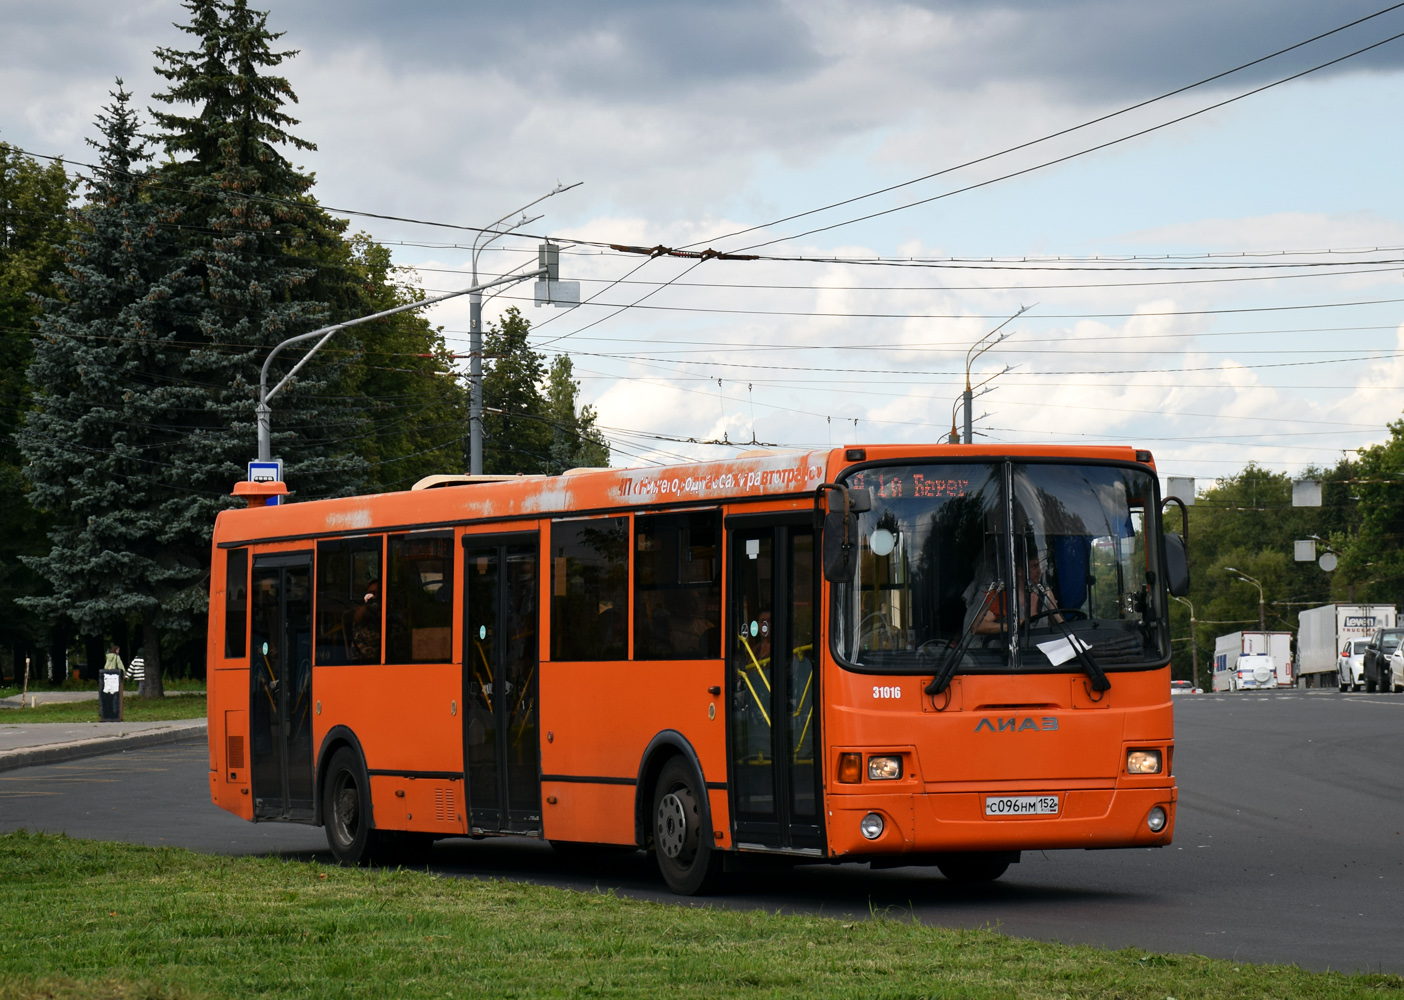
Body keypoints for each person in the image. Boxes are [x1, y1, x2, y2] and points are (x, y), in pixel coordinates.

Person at [971, 550, 1061, 635]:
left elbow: (1061, 625)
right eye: (1034, 566)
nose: (1040, 571)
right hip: (1014, 650)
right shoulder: (1005, 597)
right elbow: (977, 626)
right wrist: (1012, 626)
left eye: (1040, 566)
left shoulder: (1045, 594)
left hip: (1040, 651)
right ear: (1019, 571)